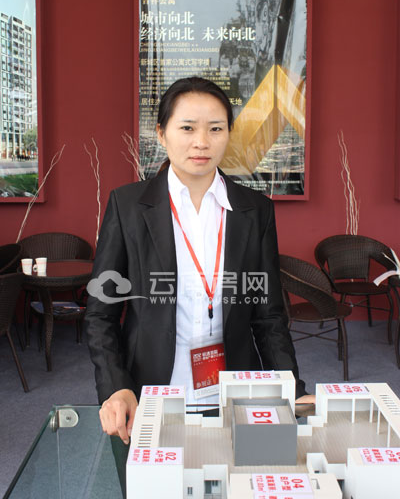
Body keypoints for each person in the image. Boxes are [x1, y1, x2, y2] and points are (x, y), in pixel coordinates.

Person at [86, 77, 311, 473]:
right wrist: (115, 386)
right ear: (162, 133)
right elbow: (100, 314)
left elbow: (269, 316)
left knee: (236, 483)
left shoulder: (254, 210)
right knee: (152, 488)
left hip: (236, 390)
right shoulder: (128, 205)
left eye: (215, 129)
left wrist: (292, 387)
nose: (201, 142)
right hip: (150, 392)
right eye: (187, 128)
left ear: (229, 134)